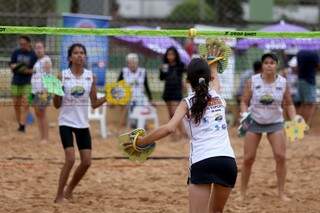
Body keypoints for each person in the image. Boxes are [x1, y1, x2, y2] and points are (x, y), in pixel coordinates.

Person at [137, 58, 237, 213]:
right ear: (209, 78)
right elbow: (216, 81)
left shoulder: (187, 102)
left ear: (187, 80)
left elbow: (169, 128)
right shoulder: (218, 97)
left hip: (202, 161)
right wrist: (214, 64)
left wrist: (142, 141)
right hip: (227, 162)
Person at [53, 43, 106, 203]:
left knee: (87, 162)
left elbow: (95, 103)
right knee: (70, 159)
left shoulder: (90, 76)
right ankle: (59, 195)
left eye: (82, 53)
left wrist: (109, 96)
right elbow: (56, 105)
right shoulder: (62, 76)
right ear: (70, 57)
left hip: (82, 123)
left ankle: (69, 190)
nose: (79, 55)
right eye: (76, 53)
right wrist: (56, 92)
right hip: (66, 122)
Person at [240, 53, 297, 201]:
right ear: (262, 65)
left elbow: (289, 103)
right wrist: (245, 115)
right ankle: (242, 193)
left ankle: (281, 193)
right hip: (254, 121)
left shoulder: (283, 82)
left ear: (276, 65)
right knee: (248, 158)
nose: (269, 65)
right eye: (266, 63)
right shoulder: (252, 81)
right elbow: (244, 101)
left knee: (281, 157)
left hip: (275, 122)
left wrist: (294, 118)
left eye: (272, 62)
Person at [9, 36, 37, 132]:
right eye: (21, 44)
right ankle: (19, 124)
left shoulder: (33, 55)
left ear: (29, 43)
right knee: (16, 104)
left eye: (24, 44)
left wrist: (22, 69)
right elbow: (12, 65)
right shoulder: (16, 52)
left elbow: (34, 70)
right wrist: (22, 68)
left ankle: (23, 125)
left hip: (28, 83)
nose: (22, 46)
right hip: (16, 82)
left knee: (26, 104)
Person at [117, 53, 153, 127]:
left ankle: (142, 122)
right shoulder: (124, 71)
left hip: (140, 95)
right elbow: (117, 85)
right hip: (127, 95)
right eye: (130, 63)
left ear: (137, 63)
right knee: (127, 104)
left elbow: (146, 85)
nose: (132, 64)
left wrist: (150, 98)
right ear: (127, 63)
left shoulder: (143, 71)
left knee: (144, 104)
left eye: (134, 62)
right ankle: (123, 124)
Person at [160, 46, 187, 137]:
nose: (170, 56)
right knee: (171, 114)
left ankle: (183, 132)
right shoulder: (165, 65)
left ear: (175, 55)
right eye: (168, 54)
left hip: (176, 91)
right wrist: (163, 70)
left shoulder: (180, 65)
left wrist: (184, 83)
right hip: (168, 91)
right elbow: (161, 78)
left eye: (172, 54)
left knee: (175, 113)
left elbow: (188, 73)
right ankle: (174, 133)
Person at [31, 41, 52, 143]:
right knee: (38, 115)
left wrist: (46, 90)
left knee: (42, 114)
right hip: (35, 91)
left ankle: (45, 138)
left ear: (44, 49)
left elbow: (48, 76)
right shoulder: (37, 61)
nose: (38, 50)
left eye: (40, 47)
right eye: (36, 48)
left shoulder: (46, 60)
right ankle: (41, 136)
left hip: (43, 91)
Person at [297, 50, 319, 128]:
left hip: (301, 79)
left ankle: (298, 125)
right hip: (309, 81)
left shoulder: (300, 52)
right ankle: (303, 126)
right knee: (310, 104)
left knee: (304, 104)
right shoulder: (313, 53)